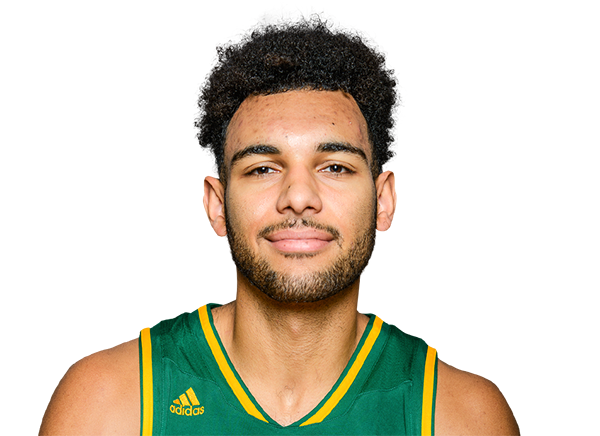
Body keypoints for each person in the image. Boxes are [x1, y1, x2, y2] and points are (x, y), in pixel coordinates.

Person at [39, 8, 520, 435]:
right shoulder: (108, 402)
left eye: (335, 167)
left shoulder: (458, 415)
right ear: (216, 205)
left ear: (383, 200)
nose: (299, 198)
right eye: (263, 168)